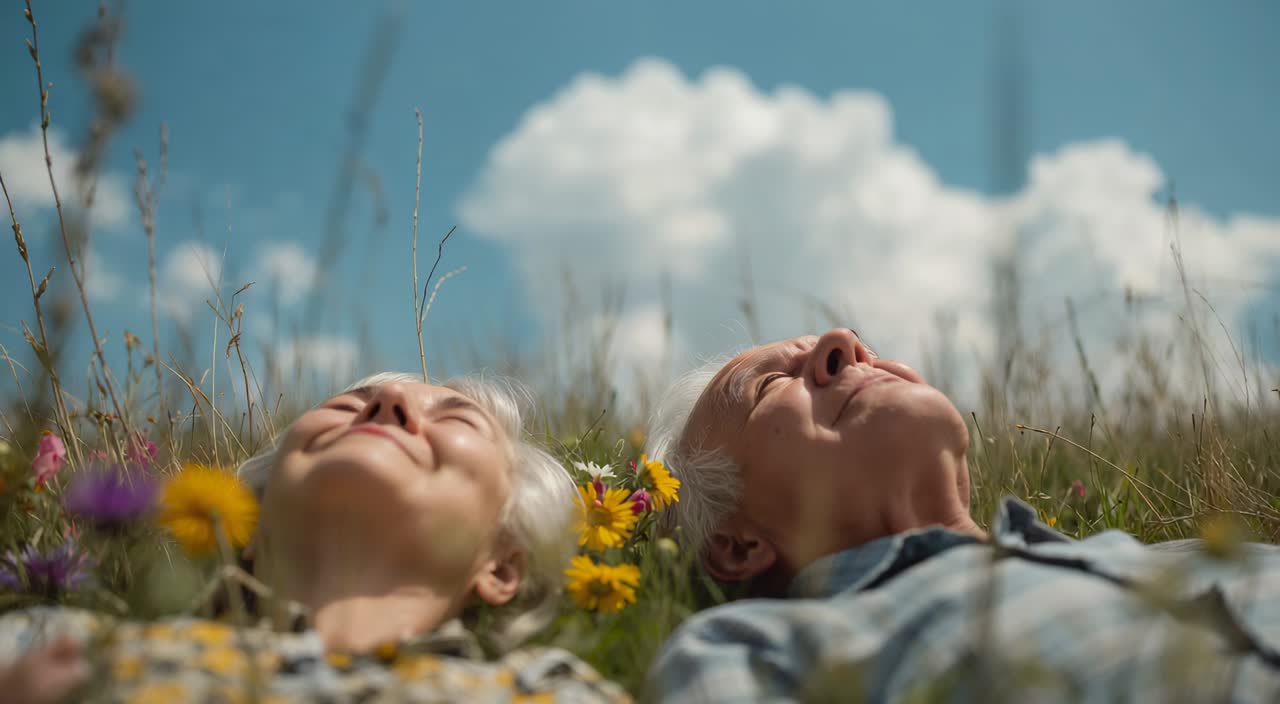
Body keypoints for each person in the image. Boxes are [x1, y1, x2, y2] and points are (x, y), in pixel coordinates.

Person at [644, 328, 1280, 702]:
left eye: (860, 347)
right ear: (735, 545)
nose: (848, 344)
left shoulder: (1196, 557)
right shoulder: (754, 650)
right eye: (768, 387)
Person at [0, 372, 627, 703]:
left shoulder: (549, 691)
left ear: (502, 565)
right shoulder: (62, 643)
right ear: (248, 522)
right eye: (347, 402)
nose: (385, 399)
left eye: (457, 417)